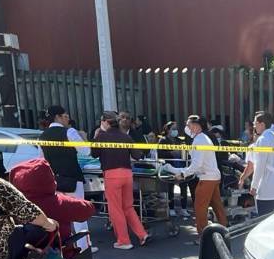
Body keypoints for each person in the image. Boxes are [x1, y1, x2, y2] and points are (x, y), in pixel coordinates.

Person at [92, 111, 151, 249]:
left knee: (115, 209)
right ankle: (142, 234)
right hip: (127, 174)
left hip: (111, 175)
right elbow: (137, 155)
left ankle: (124, 241)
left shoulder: (101, 136)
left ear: (105, 122)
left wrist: (95, 138)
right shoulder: (125, 136)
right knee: (128, 207)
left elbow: (94, 154)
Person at [165, 114, 227, 239]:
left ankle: (203, 236)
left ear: (196, 126)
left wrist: (183, 174)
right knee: (217, 206)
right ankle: (224, 230)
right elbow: (198, 163)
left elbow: (197, 165)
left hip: (206, 178)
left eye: (189, 125)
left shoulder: (199, 140)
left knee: (200, 208)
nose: (187, 128)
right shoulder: (203, 137)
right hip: (213, 177)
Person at [40, 104, 92, 250]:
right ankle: (84, 246)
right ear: (58, 117)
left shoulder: (42, 136)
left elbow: (42, 159)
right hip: (73, 178)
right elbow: (86, 151)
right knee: (79, 213)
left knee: (59, 215)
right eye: (65, 116)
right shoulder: (70, 132)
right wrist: (83, 137)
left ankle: (62, 246)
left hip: (55, 180)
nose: (67, 119)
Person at [249, 111, 274, 216]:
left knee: (264, 220)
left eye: (255, 123)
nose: (254, 126)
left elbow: (259, 165)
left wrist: (254, 185)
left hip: (266, 189)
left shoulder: (262, 140)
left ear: (262, 124)